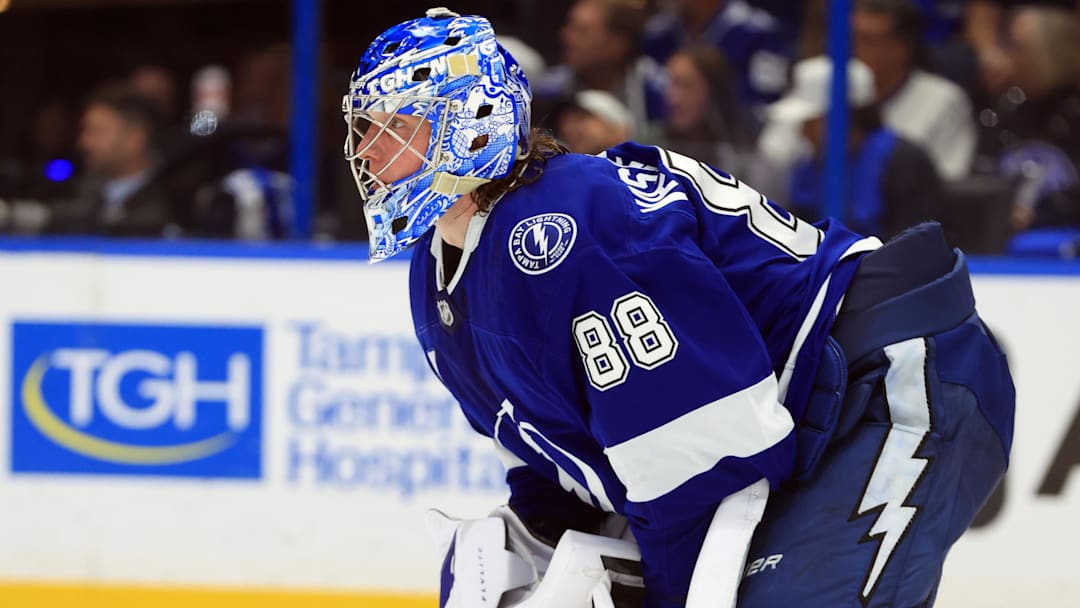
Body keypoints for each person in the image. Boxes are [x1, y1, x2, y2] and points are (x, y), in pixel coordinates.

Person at [344, 9, 1015, 608]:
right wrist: (538, 538)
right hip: (809, 412)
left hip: (890, 383)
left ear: (470, 124)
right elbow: (547, 447)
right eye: (364, 129)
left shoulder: (571, 229)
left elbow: (707, 457)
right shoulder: (439, 269)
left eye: (395, 126)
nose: (370, 152)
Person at [774, 56, 944, 240]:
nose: (803, 131)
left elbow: (919, 244)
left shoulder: (903, 162)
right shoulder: (810, 163)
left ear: (845, 117)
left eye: (810, 121)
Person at [851, 0, 977, 180]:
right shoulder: (830, 94)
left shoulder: (944, 101)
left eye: (867, 40)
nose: (853, 49)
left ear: (900, 47)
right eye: (851, 38)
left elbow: (948, 185)